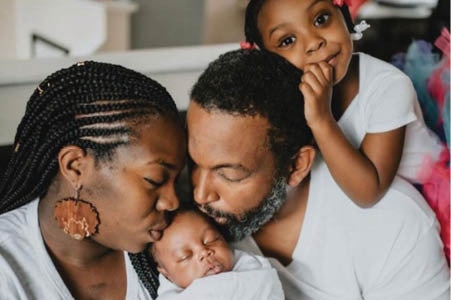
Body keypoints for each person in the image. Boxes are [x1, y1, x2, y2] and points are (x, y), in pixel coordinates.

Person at [187, 48, 450, 299]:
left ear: (296, 166)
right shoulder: (186, 229)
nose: (200, 194)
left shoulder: (392, 226)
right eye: (194, 163)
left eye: (230, 175)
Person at [0, 61, 186, 299]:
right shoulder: (6, 267)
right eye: (155, 179)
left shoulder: (182, 247)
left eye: (176, 179)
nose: (173, 202)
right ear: (74, 166)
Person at [243, 0, 445, 208]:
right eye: (288, 40)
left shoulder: (389, 86)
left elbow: (368, 193)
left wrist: (321, 119)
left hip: (425, 195)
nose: (314, 42)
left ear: (344, 16)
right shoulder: (288, 94)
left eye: (321, 19)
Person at [150, 206, 284, 299]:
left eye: (211, 240)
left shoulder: (254, 271)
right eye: (185, 257)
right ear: (166, 273)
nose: (204, 252)